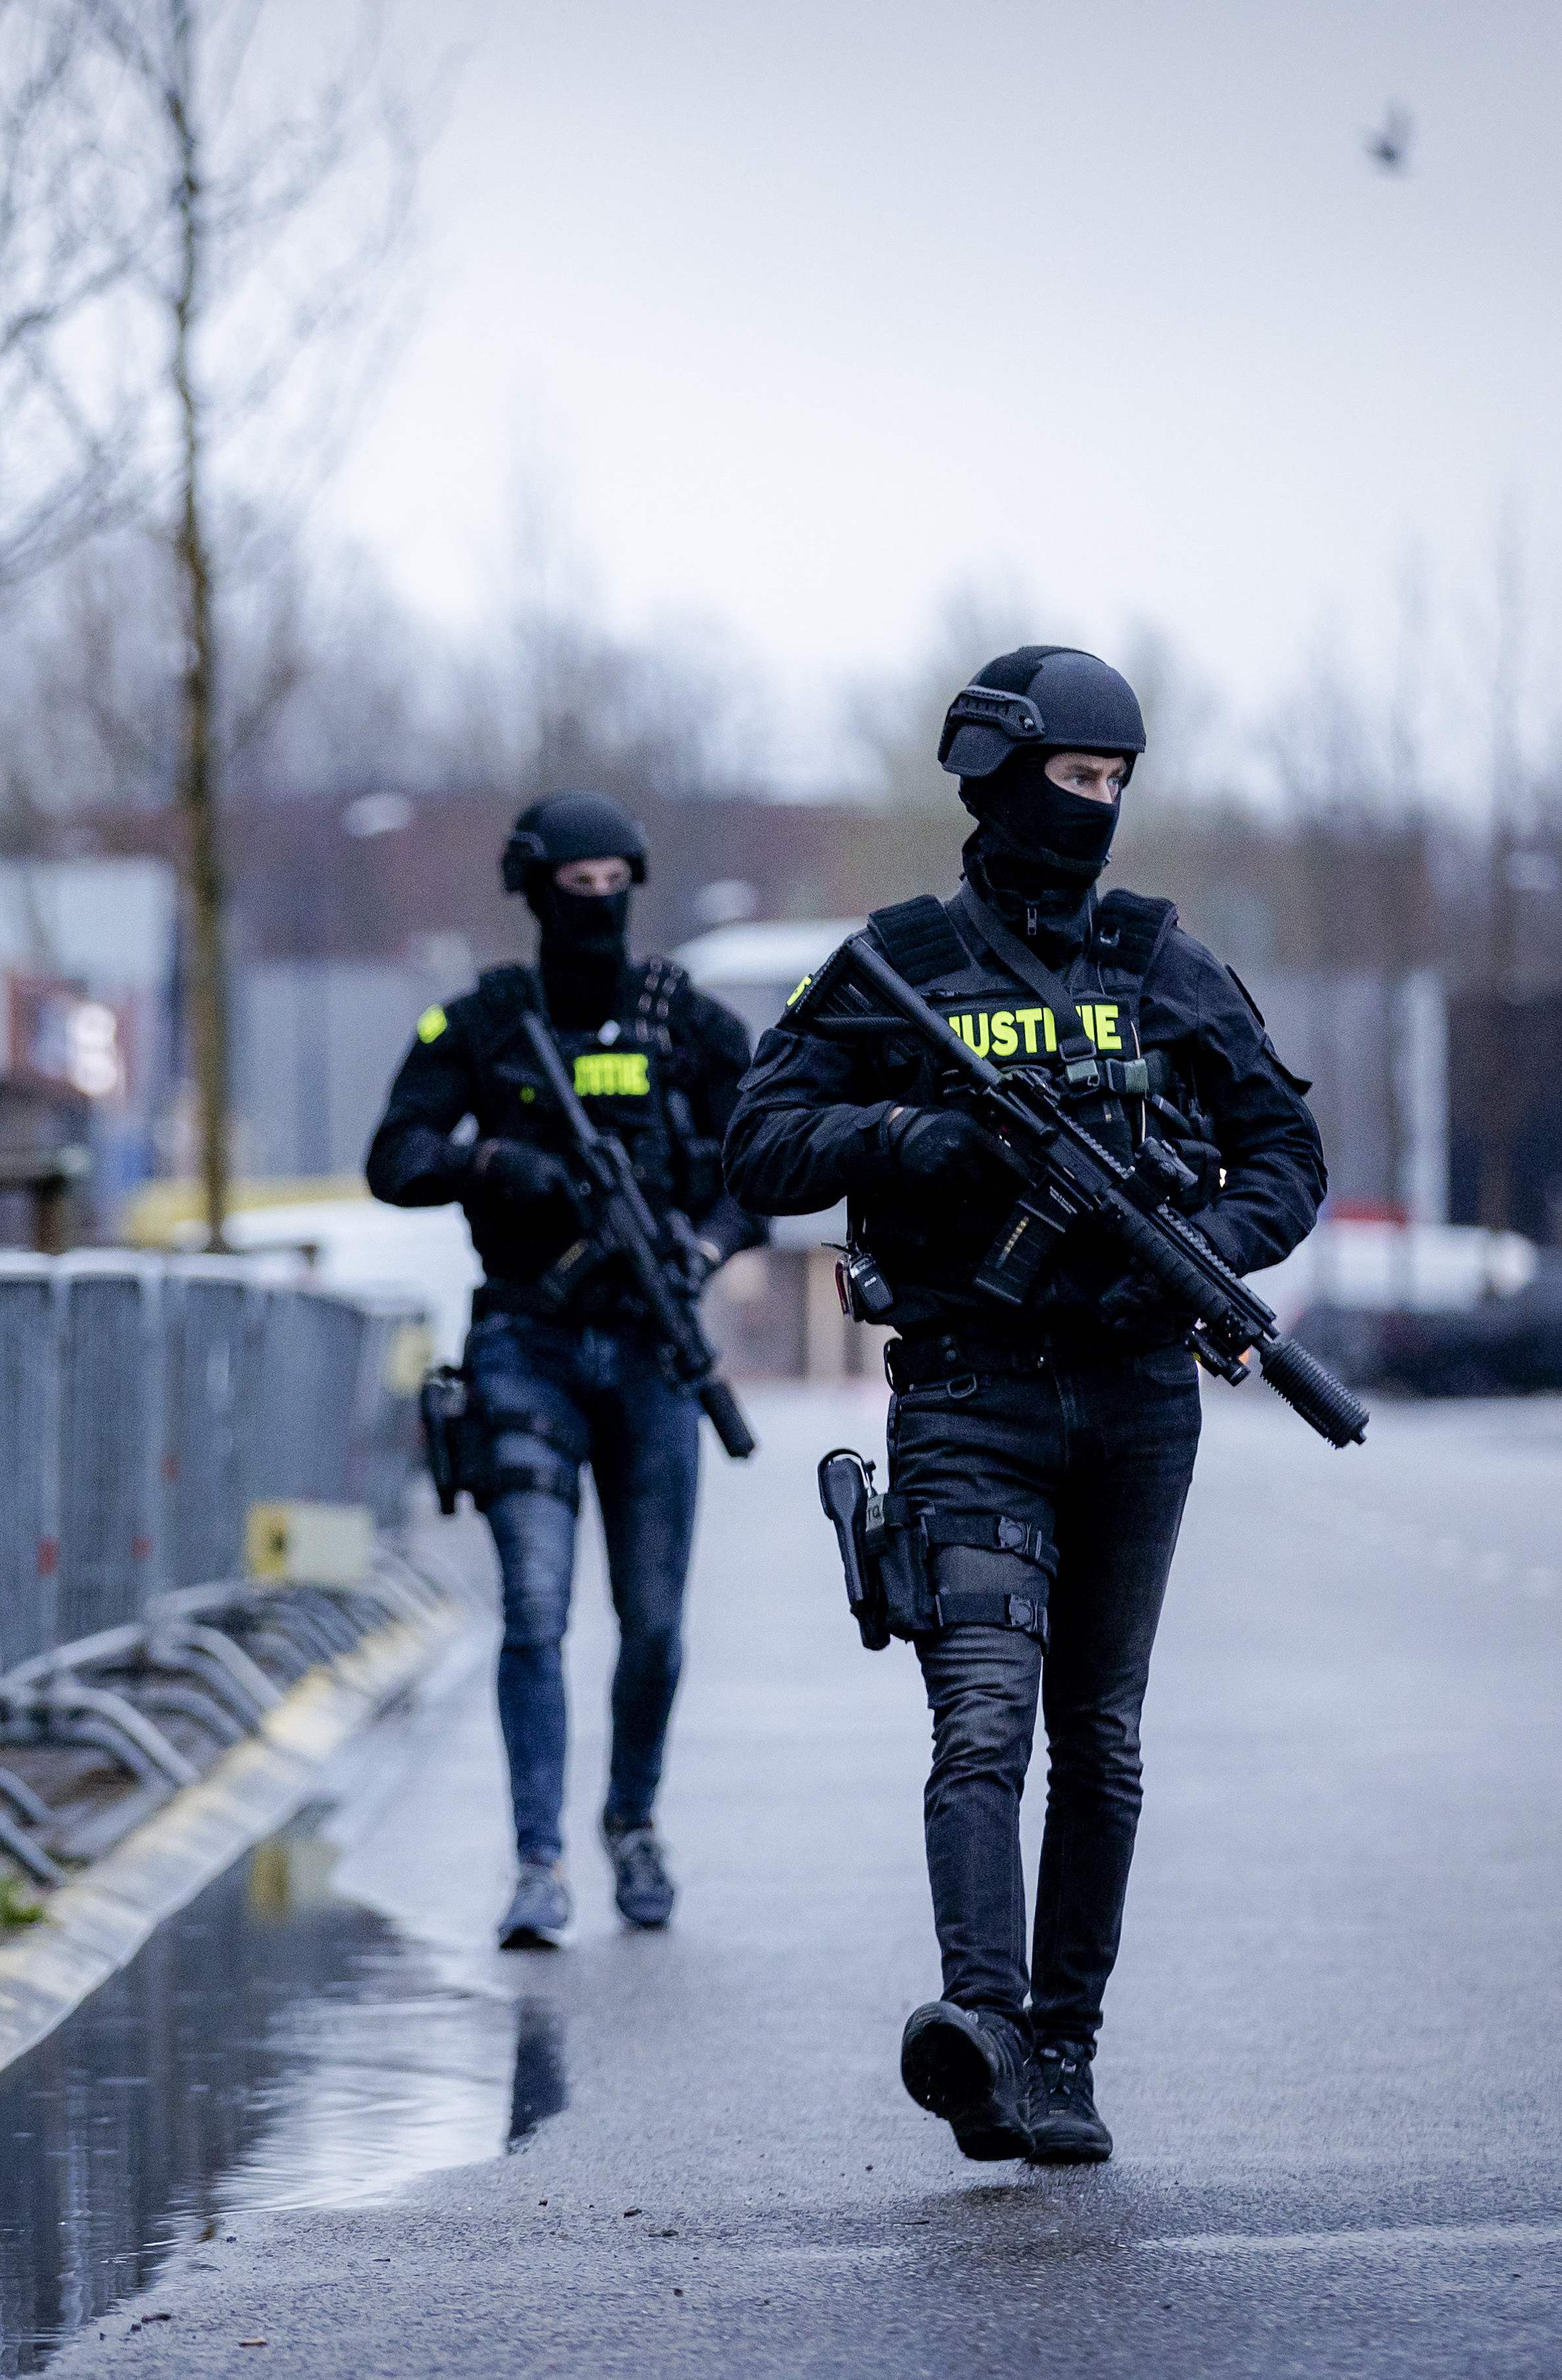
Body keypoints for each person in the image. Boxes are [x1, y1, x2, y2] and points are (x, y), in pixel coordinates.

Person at [723, 647, 1326, 2163]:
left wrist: (1189, 1263)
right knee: (981, 1720)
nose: (1097, 810)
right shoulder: (897, 965)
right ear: (994, 781)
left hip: (1132, 1398)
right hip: (965, 1392)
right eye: (1073, 781)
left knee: (1098, 1737)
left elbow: (1283, 1160)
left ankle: (1063, 2051)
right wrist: (902, 1137)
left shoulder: (1159, 961)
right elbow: (757, 1141)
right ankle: (978, 2031)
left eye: (1117, 785)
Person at [367, 791, 767, 1948]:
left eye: (614, 883)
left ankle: (630, 1824)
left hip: (652, 1350)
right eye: (573, 884)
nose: (596, 905)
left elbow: (768, 1163)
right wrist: (496, 1164)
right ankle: (538, 1861)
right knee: (535, 1611)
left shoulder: (686, 1023)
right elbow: (393, 1156)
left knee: (653, 1626)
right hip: (526, 1344)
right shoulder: (487, 1025)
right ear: (533, 890)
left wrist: (700, 1245)